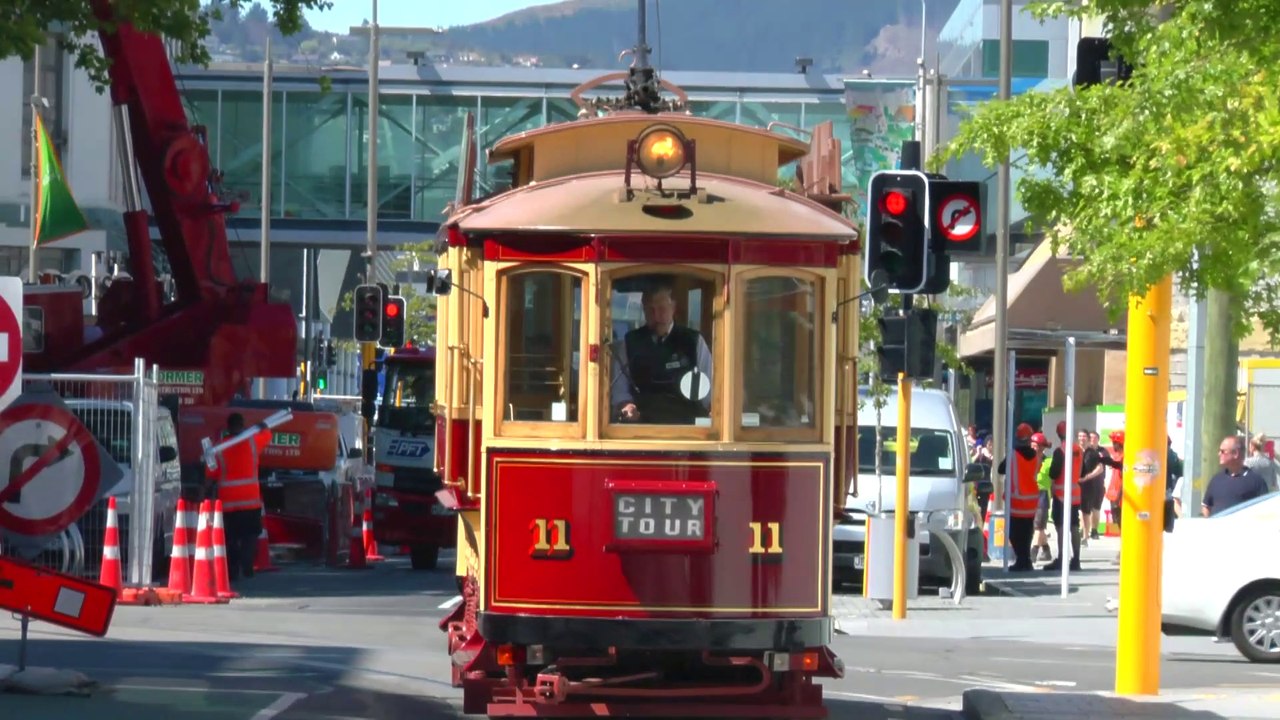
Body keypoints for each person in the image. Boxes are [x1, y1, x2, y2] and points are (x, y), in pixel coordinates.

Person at [609, 283, 712, 424]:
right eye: (650, 310)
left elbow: (710, 390)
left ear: (673, 308)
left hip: (688, 428)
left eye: (661, 309)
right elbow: (620, 390)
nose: (656, 316)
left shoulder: (694, 341)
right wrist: (626, 405)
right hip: (641, 428)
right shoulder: (630, 342)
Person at [207, 413, 273, 581]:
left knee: (230, 537)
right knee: (250, 535)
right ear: (243, 426)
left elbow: (211, 473)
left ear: (227, 428)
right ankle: (247, 564)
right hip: (250, 501)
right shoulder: (252, 442)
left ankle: (233, 569)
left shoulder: (219, 448)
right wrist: (261, 426)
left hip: (228, 502)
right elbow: (267, 435)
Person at [995, 423, 1043, 571]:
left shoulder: (1013, 455)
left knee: (1014, 533)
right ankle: (1026, 560)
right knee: (1027, 532)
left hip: (1016, 502)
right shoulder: (1035, 456)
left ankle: (1021, 560)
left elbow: (1000, 469)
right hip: (1031, 502)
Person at [1045, 420, 1083, 572]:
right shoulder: (1078, 450)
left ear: (1059, 434)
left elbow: (1054, 472)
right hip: (1075, 495)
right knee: (1074, 526)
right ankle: (1076, 559)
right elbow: (1083, 470)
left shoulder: (1060, 451)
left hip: (1061, 495)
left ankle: (1062, 558)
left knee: (1061, 527)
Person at [1202, 435, 1271, 516]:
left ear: (1235, 453)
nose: (1219, 454)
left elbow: (1264, 511)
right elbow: (1206, 506)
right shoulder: (1216, 480)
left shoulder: (1256, 482)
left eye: (1222, 451)